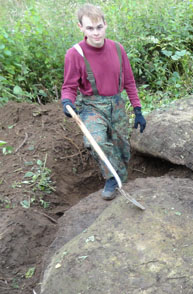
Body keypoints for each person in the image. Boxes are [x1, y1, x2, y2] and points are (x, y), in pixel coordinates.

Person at [61, 3, 146, 200]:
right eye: (90, 28)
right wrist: (67, 102)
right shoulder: (75, 54)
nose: (96, 33)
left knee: (122, 148)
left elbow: (130, 82)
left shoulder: (117, 49)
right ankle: (112, 178)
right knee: (95, 140)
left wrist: (138, 109)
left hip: (116, 104)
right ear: (80, 28)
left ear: (105, 25)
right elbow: (69, 86)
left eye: (99, 27)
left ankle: (121, 176)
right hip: (92, 105)